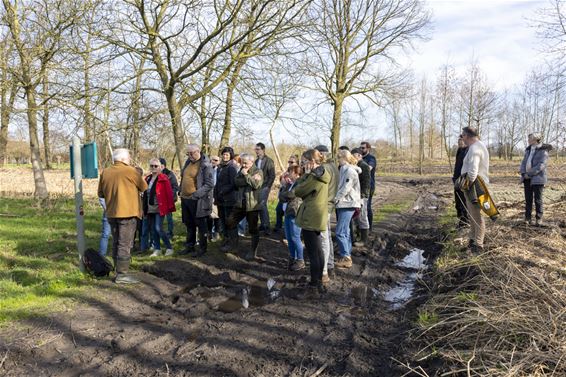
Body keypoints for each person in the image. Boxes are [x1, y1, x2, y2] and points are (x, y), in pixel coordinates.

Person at [97, 148, 148, 284]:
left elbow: (100, 193)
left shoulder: (105, 172)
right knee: (125, 243)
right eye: (129, 158)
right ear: (124, 159)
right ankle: (122, 275)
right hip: (128, 213)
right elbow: (144, 187)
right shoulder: (131, 171)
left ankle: (116, 270)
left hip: (111, 213)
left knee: (116, 241)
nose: (130, 160)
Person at [294, 149, 330, 296]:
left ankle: (314, 286)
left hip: (311, 216)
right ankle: (319, 282)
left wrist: (307, 174)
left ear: (311, 162)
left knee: (313, 254)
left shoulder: (314, 177)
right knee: (318, 251)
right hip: (317, 216)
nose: (302, 164)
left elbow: (298, 190)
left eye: (303, 161)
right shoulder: (321, 174)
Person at [223, 154, 264, 260]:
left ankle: (253, 252)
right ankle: (234, 246)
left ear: (252, 161)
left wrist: (246, 176)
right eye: (242, 162)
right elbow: (236, 182)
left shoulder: (258, 171)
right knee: (230, 221)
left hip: (252, 205)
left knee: (253, 229)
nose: (243, 165)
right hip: (240, 203)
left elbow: (256, 185)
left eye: (246, 163)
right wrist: (248, 179)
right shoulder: (241, 170)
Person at [179, 144, 215, 257]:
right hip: (185, 199)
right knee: (189, 224)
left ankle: (202, 249)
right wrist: (181, 191)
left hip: (198, 200)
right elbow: (184, 178)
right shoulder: (188, 163)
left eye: (191, 153)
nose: (189, 156)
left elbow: (209, 184)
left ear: (198, 151)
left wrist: (196, 195)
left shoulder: (205, 165)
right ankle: (190, 246)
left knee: (201, 225)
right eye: (187, 154)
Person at [460, 126, 490, 253]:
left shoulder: (475, 148)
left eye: (463, 136)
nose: (462, 138)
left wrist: (465, 185)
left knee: (477, 216)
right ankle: (472, 241)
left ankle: (478, 245)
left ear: (467, 135)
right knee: (472, 215)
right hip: (475, 185)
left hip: (475, 186)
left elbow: (473, 171)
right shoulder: (478, 146)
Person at [314, 145, 339, 284]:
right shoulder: (333, 165)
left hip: (323, 205)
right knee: (327, 237)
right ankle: (329, 265)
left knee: (323, 238)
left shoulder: (325, 168)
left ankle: (324, 271)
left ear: (322, 154)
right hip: (329, 204)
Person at [334, 150, 362, 269]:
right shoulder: (343, 169)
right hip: (344, 203)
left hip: (348, 203)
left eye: (338, 158)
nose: (337, 161)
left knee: (340, 232)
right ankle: (346, 254)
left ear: (344, 158)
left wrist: (335, 198)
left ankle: (346, 257)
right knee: (345, 231)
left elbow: (346, 187)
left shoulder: (350, 171)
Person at [143, 158, 176, 257]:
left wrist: (170, 207)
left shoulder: (164, 178)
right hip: (149, 208)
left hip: (160, 207)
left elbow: (169, 194)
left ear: (160, 167)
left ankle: (169, 248)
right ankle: (157, 249)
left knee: (158, 228)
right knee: (153, 229)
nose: (153, 168)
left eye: (155, 166)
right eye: (151, 166)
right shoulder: (147, 179)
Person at [519, 133, 551, 226]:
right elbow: (524, 162)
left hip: (538, 178)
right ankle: (527, 218)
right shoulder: (528, 150)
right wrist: (523, 173)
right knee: (528, 199)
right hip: (526, 178)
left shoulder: (543, 150)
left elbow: (541, 165)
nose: (528, 140)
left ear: (536, 140)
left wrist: (529, 173)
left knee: (538, 200)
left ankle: (538, 219)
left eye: (530, 139)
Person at [279, 165, 304, 271]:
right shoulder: (290, 184)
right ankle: (292, 257)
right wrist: (284, 186)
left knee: (295, 237)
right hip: (288, 212)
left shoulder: (299, 183)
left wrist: (284, 192)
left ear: (296, 173)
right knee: (289, 238)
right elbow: (281, 196)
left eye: (290, 172)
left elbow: (290, 195)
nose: (288, 173)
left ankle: (300, 260)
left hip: (295, 213)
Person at [215, 147, 239, 247]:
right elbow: (218, 182)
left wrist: (222, 191)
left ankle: (232, 242)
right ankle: (226, 239)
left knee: (229, 221)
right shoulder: (220, 167)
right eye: (224, 154)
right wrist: (215, 194)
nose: (225, 156)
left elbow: (233, 183)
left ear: (231, 156)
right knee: (222, 220)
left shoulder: (232, 167)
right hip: (220, 199)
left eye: (227, 155)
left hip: (229, 199)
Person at [273, 155, 299, 234]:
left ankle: (288, 231)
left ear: (296, 163)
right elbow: (281, 181)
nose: (290, 163)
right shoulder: (287, 171)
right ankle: (279, 226)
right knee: (279, 210)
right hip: (284, 194)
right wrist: (283, 181)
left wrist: (290, 181)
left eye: (292, 162)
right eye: (289, 162)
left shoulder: (297, 171)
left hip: (292, 199)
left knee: (289, 214)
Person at [351, 148, 371, 247]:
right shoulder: (356, 165)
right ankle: (358, 236)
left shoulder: (364, 166)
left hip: (361, 196)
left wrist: (362, 196)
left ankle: (364, 240)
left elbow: (367, 182)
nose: (351, 157)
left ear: (359, 155)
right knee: (357, 217)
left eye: (353, 155)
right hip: (356, 195)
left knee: (363, 217)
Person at [254, 142, 276, 235]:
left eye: (258, 149)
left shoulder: (269, 161)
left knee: (262, 205)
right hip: (256, 187)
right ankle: (263, 225)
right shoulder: (255, 161)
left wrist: (267, 186)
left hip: (265, 186)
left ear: (263, 150)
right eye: (255, 149)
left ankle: (266, 226)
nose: (256, 151)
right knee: (259, 205)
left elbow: (272, 175)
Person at [159, 158, 179, 239]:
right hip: (159, 200)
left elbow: (175, 187)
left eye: (158, 165)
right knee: (159, 217)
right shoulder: (156, 174)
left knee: (169, 217)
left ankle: (170, 233)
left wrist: (169, 195)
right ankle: (159, 232)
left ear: (163, 166)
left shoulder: (170, 174)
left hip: (168, 199)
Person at [453, 136, 469, 228]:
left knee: (464, 202)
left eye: (461, 142)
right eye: (458, 142)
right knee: (458, 202)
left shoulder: (468, 151)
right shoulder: (459, 151)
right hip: (457, 180)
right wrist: (454, 178)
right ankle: (461, 220)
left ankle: (466, 222)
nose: (460, 144)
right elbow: (457, 165)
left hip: (463, 179)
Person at [360, 141, 377, 230]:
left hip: (369, 186)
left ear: (368, 149)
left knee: (367, 206)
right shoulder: (359, 158)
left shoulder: (371, 159)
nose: (361, 149)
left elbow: (368, 168)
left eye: (363, 148)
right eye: (360, 148)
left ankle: (369, 227)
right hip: (360, 186)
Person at [207, 155, 221, 241]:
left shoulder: (220, 170)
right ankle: (209, 233)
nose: (213, 161)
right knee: (208, 215)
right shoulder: (207, 169)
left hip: (217, 195)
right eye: (212, 160)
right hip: (208, 195)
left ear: (218, 162)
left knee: (216, 215)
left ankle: (216, 232)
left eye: (216, 160)